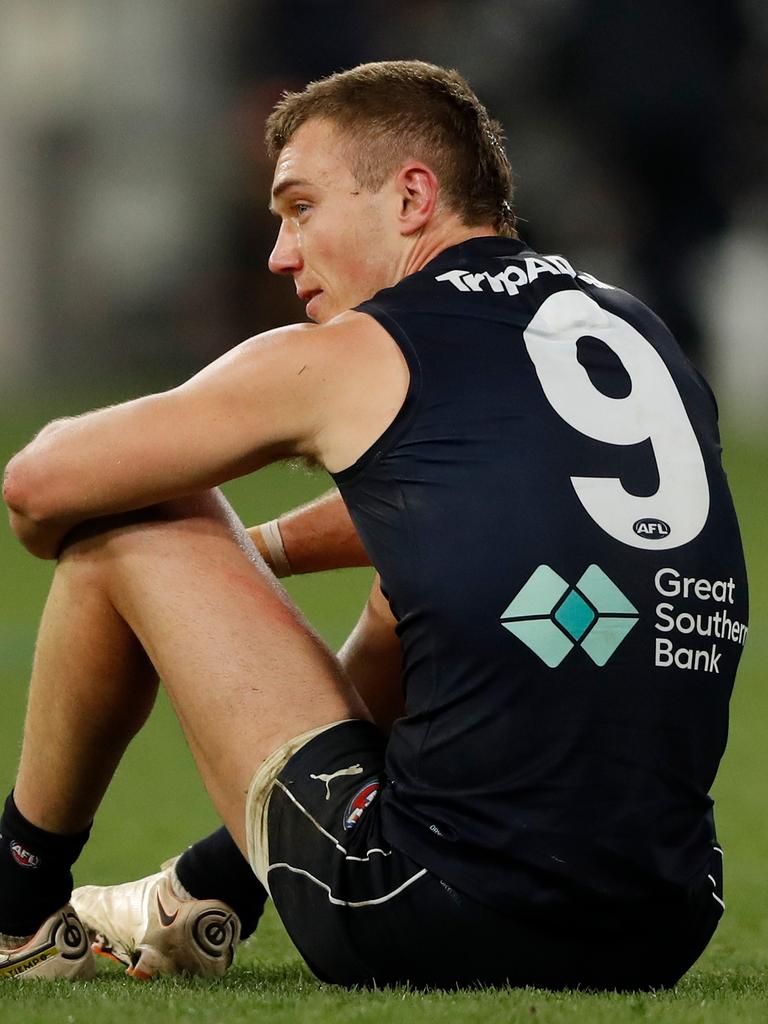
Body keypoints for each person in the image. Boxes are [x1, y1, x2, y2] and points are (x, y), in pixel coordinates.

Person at [0, 61, 748, 989]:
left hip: (427, 909)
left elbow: (40, 487)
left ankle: (13, 905)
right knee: (430, 587)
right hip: (663, 922)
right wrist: (252, 561)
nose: (280, 251)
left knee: (136, 500)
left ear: (411, 197)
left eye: (301, 206)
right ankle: (206, 894)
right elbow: (494, 513)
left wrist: (149, 568)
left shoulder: (367, 345)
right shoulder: (636, 333)